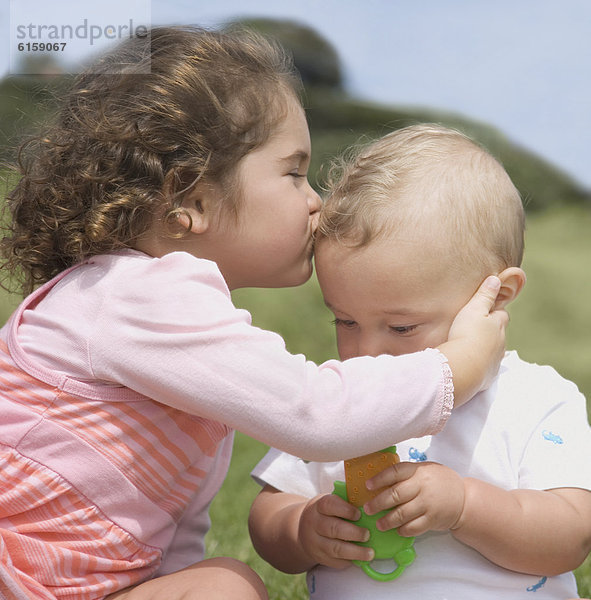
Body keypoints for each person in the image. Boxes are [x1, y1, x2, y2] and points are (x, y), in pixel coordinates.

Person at [0, 28, 508, 600]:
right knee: (227, 586)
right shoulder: (138, 296)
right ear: (191, 201)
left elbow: (168, 530)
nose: (315, 199)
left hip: (62, 583)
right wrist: (458, 364)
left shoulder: (142, 302)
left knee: (217, 583)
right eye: (293, 172)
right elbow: (319, 414)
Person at [249, 124, 591, 599]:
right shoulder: (337, 396)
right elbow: (269, 512)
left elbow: (570, 536)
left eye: (402, 327)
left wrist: (466, 505)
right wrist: (302, 527)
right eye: (345, 321)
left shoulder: (539, 400)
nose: (367, 353)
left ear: (497, 297)